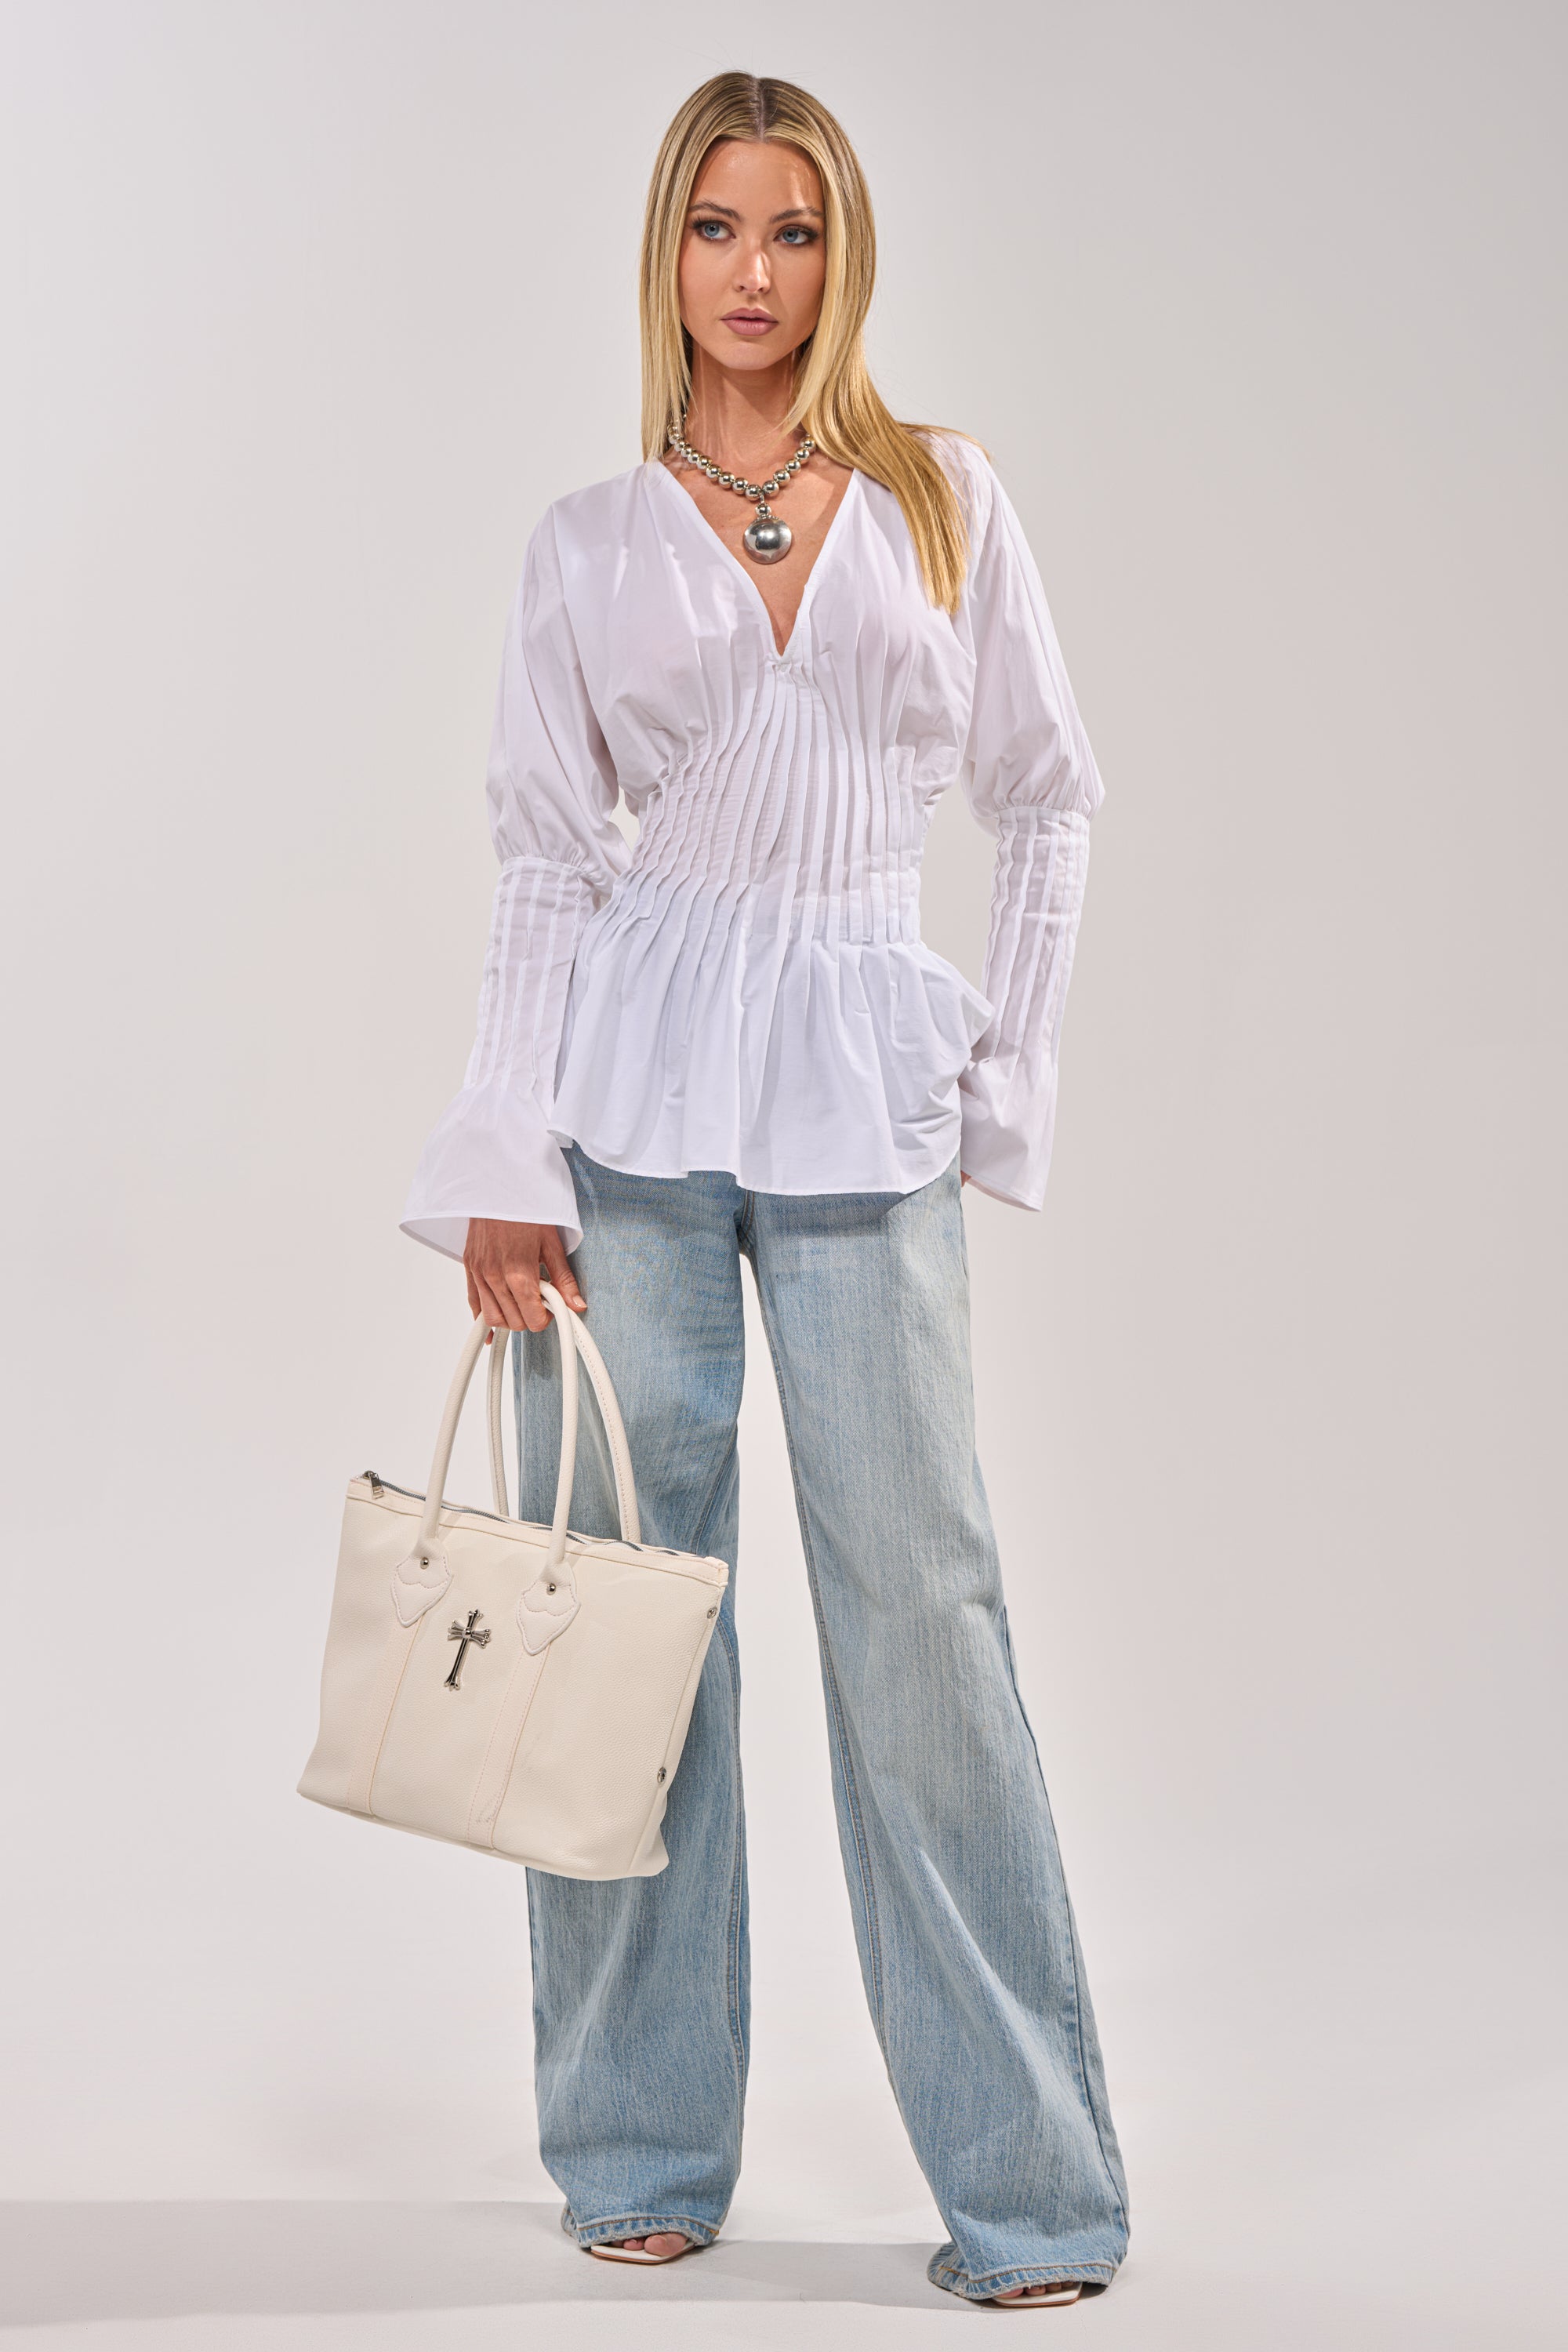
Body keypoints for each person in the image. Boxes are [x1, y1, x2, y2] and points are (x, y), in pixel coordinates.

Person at [401, 71, 1127, 2311]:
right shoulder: (589, 544)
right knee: (622, 1635)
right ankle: (635, 2140)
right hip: (624, 1117)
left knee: (928, 1629)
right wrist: (503, 1148)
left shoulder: (944, 502)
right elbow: (544, 867)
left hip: (861, 1097)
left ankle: (1034, 2188)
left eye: (792, 230)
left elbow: (1052, 797)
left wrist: (997, 1080)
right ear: (668, 252)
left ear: (842, 257)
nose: (752, 271)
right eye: (716, 228)